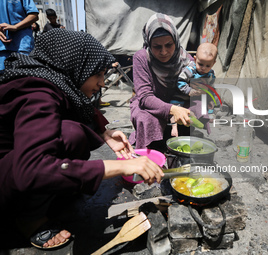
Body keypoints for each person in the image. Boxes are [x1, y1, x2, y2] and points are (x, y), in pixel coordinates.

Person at [0, 29, 163, 249]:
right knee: (71, 135)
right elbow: (30, 168)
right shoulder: (37, 92)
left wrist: (103, 133)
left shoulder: (51, 79)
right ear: (76, 65)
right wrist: (118, 167)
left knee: (73, 132)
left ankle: (52, 197)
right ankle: (29, 218)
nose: (103, 83)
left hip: (13, 170)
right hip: (8, 179)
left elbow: (74, 109)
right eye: (98, 74)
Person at [129, 13, 211, 151]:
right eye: (157, 46)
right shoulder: (141, 58)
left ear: (176, 41)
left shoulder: (187, 60)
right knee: (144, 118)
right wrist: (172, 110)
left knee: (198, 107)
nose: (164, 52)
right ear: (149, 43)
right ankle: (150, 150)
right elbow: (144, 96)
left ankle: (183, 140)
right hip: (151, 105)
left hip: (178, 101)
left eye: (169, 45)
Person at [170, 42, 217, 137]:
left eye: (208, 66)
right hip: (180, 96)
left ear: (213, 64)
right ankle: (173, 127)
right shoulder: (190, 69)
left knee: (200, 108)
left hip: (195, 97)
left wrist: (210, 99)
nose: (203, 68)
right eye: (200, 64)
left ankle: (204, 123)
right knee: (175, 109)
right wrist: (188, 90)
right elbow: (180, 81)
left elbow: (211, 87)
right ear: (195, 59)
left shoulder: (211, 74)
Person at [0, 0, 39, 72]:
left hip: (22, 45)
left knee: (24, 76)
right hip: (3, 48)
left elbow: (34, 15)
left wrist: (16, 27)